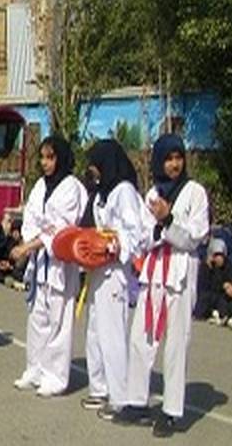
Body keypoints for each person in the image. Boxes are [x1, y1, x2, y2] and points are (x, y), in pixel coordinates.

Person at [115, 134, 210, 437]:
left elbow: (194, 235)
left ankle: (171, 410)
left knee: (176, 342)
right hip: (153, 273)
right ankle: (136, 400)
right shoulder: (153, 194)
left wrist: (168, 222)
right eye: (168, 158)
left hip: (180, 275)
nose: (174, 164)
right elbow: (144, 236)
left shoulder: (195, 193)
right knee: (141, 336)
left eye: (178, 158)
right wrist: (159, 227)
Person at [10, 135, 87, 397]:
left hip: (60, 264)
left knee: (59, 320)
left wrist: (29, 246)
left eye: (50, 157)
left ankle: (56, 375)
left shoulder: (72, 188)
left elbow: (60, 228)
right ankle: (35, 368)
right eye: (42, 157)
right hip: (39, 261)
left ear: (61, 158)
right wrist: (29, 241)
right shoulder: (40, 186)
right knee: (37, 318)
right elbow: (31, 217)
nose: (45, 163)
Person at [78, 139, 145, 418]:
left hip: (115, 272)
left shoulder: (124, 191)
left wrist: (112, 247)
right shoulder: (102, 193)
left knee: (112, 334)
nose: (93, 170)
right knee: (94, 331)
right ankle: (99, 387)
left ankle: (120, 397)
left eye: (96, 164)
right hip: (97, 270)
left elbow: (134, 233)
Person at [193, 239, 232, 327]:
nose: (219, 258)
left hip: (226, 298)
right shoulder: (206, 268)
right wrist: (209, 269)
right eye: (216, 255)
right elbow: (203, 287)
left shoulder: (230, 268)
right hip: (210, 297)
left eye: (221, 255)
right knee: (207, 298)